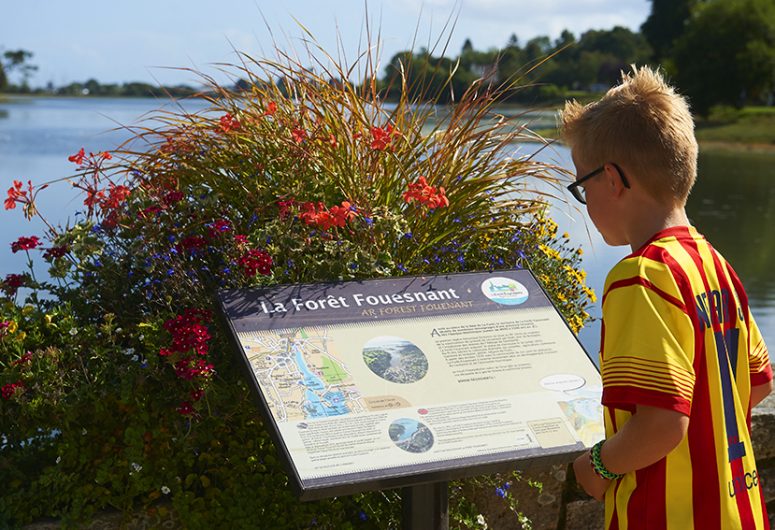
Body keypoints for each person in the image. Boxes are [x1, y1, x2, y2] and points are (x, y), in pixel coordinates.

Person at [561, 66, 773, 529]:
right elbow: (757, 382)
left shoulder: (641, 277)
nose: (585, 199)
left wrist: (594, 466)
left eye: (582, 186)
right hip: (738, 513)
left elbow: (660, 425)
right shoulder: (715, 264)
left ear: (612, 180)